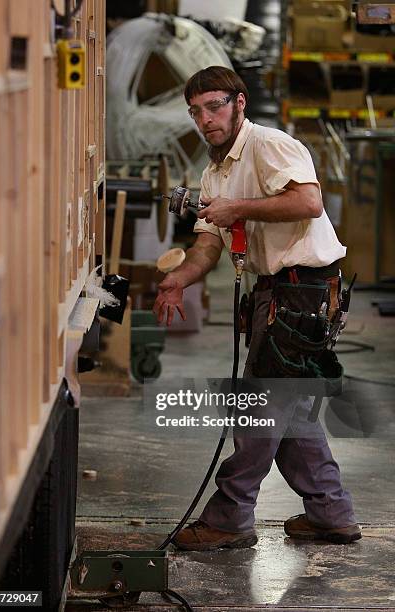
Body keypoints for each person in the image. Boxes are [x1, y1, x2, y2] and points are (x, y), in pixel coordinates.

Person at [153, 66, 361, 550]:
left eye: (214, 106)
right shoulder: (213, 172)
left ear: (239, 102)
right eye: (196, 111)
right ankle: (332, 514)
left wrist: (237, 208)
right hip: (276, 294)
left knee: (259, 412)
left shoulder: (269, 145)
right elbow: (207, 244)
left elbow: (308, 201)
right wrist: (177, 281)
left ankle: (229, 518)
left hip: (303, 292)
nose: (205, 119)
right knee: (289, 416)